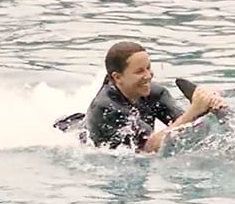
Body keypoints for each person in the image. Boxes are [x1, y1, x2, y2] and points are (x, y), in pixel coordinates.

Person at [84, 41, 227, 153]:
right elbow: (148, 147)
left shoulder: (156, 94)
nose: (148, 76)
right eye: (140, 71)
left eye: (148, 68)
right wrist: (193, 111)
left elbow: (182, 124)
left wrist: (208, 105)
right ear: (117, 77)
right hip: (80, 140)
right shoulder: (106, 107)